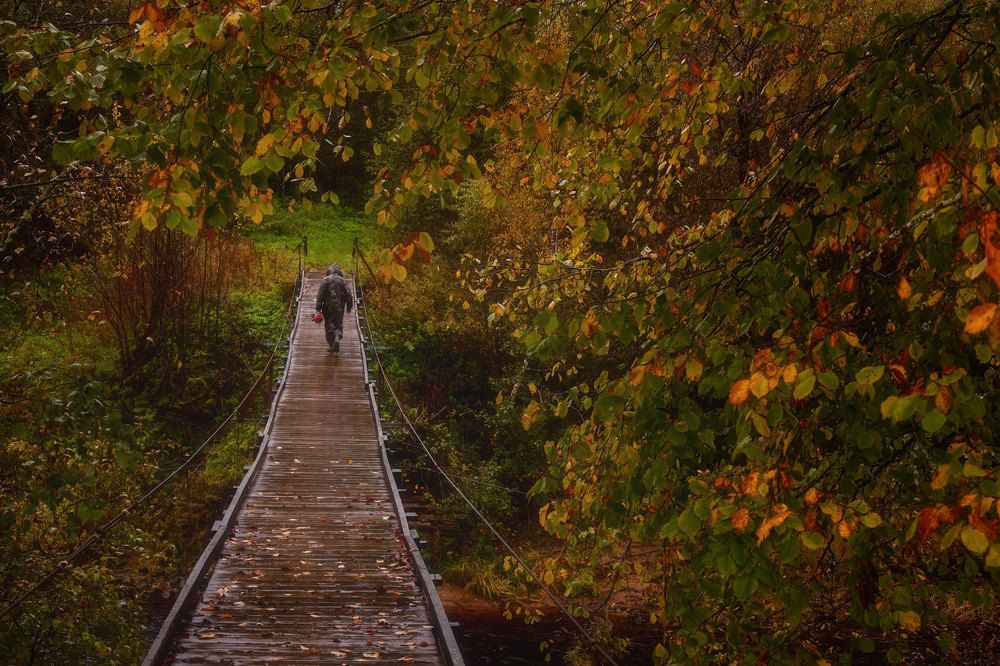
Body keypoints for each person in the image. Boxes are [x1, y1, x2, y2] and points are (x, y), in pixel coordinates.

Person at [315, 263, 353, 353]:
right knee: (338, 323)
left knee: (329, 324)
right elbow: (349, 294)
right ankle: (337, 336)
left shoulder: (325, 280)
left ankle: (331, 345)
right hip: (339, 307)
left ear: (330, 271)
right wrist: (349, 307)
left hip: (327, 307)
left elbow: (320, 295)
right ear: (339, 272)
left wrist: (318, 309)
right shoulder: (342, 280)